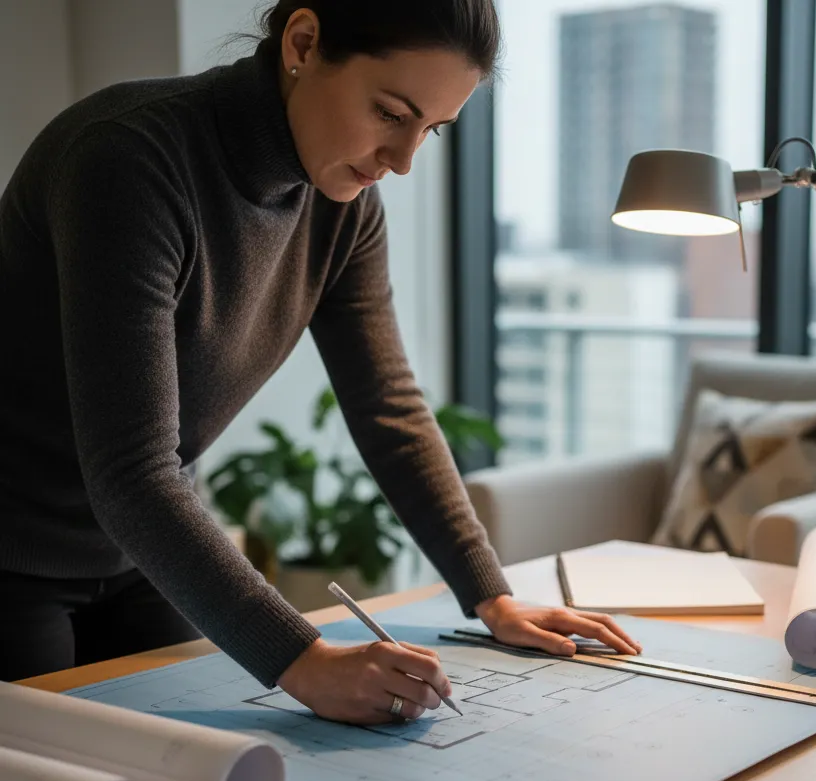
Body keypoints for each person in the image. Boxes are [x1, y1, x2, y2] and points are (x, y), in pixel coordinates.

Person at [0, 0, 640, 723]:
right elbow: (130, 470)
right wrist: (302, 660)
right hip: (14, 552)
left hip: (140, 557)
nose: (402, 162)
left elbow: (389, 407)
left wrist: (489, 594)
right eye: (392, 113)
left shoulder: (345, 206)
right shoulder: (128, 158)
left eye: (431, 129)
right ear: (303, 42)